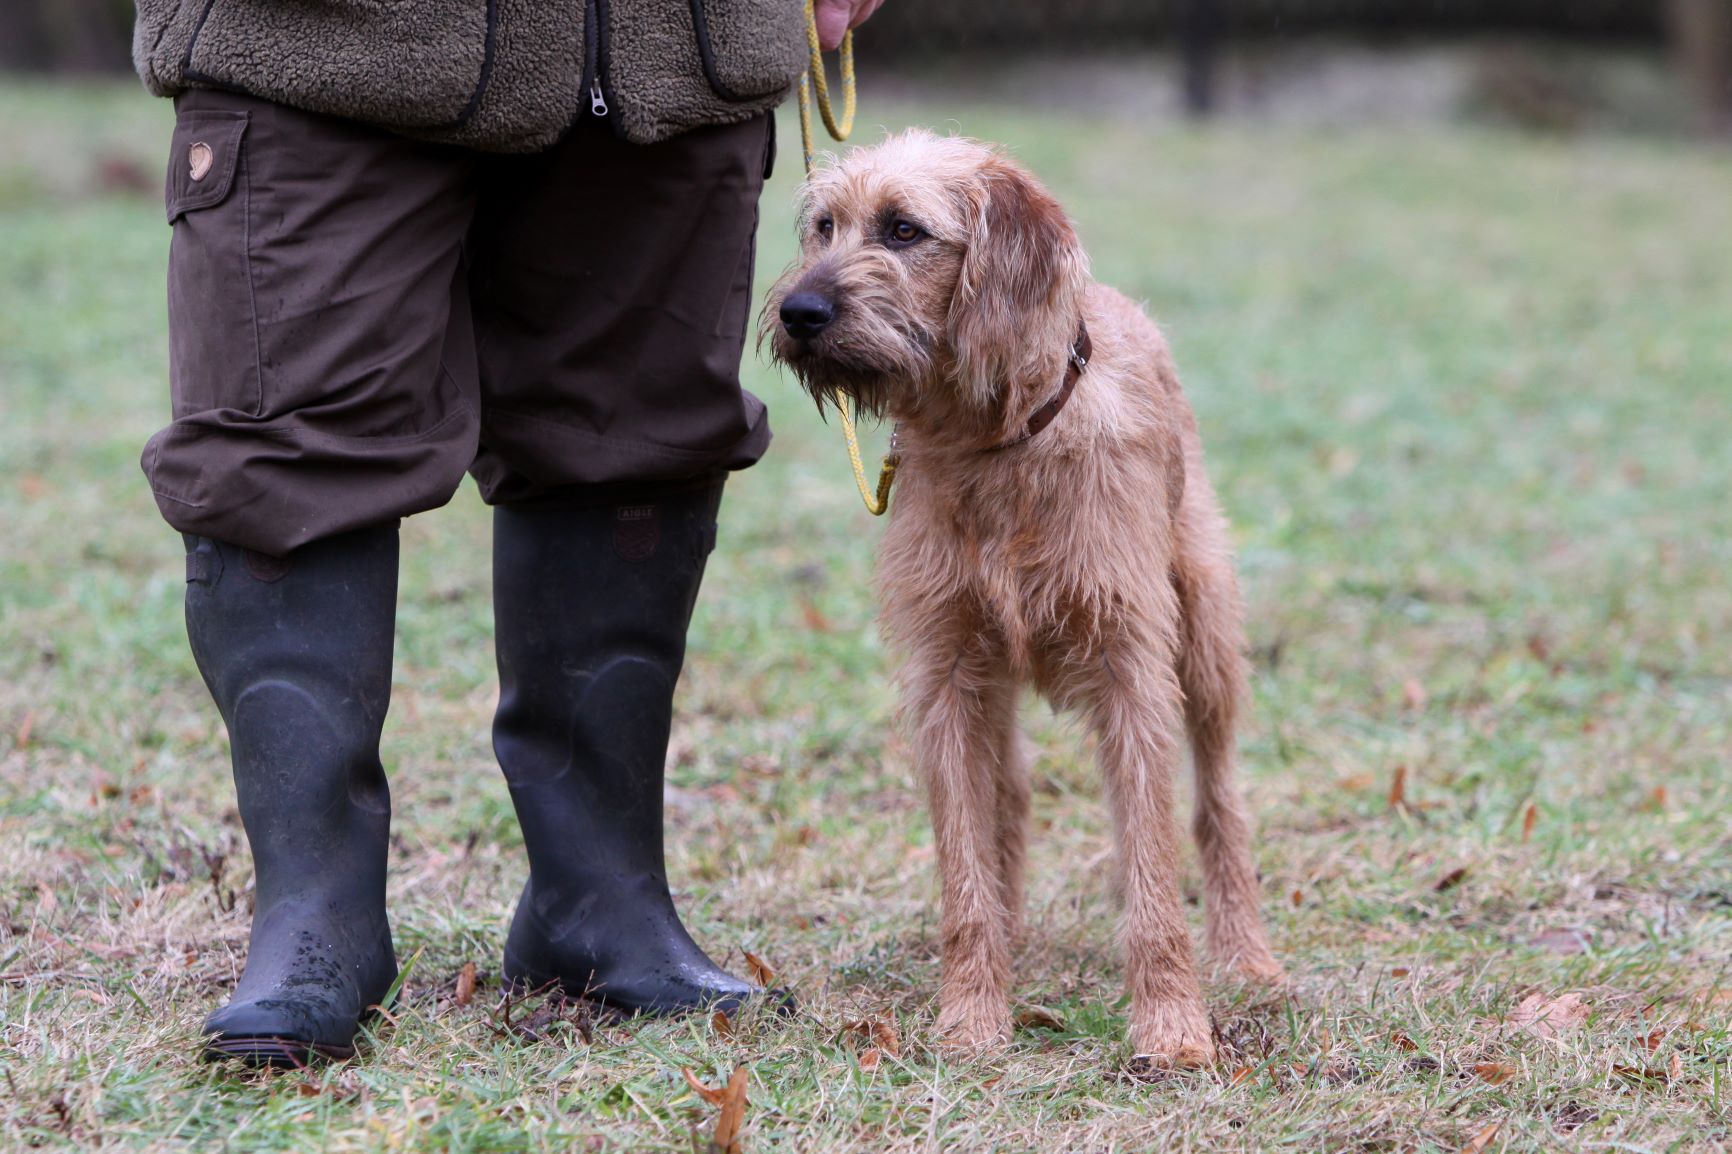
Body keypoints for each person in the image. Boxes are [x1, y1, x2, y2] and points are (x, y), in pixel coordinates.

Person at [130, 0, 885, 1066]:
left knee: (636, 444)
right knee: (284, 454)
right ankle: (314, 918)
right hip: (317, 41)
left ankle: (600, 904)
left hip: (671, 45)